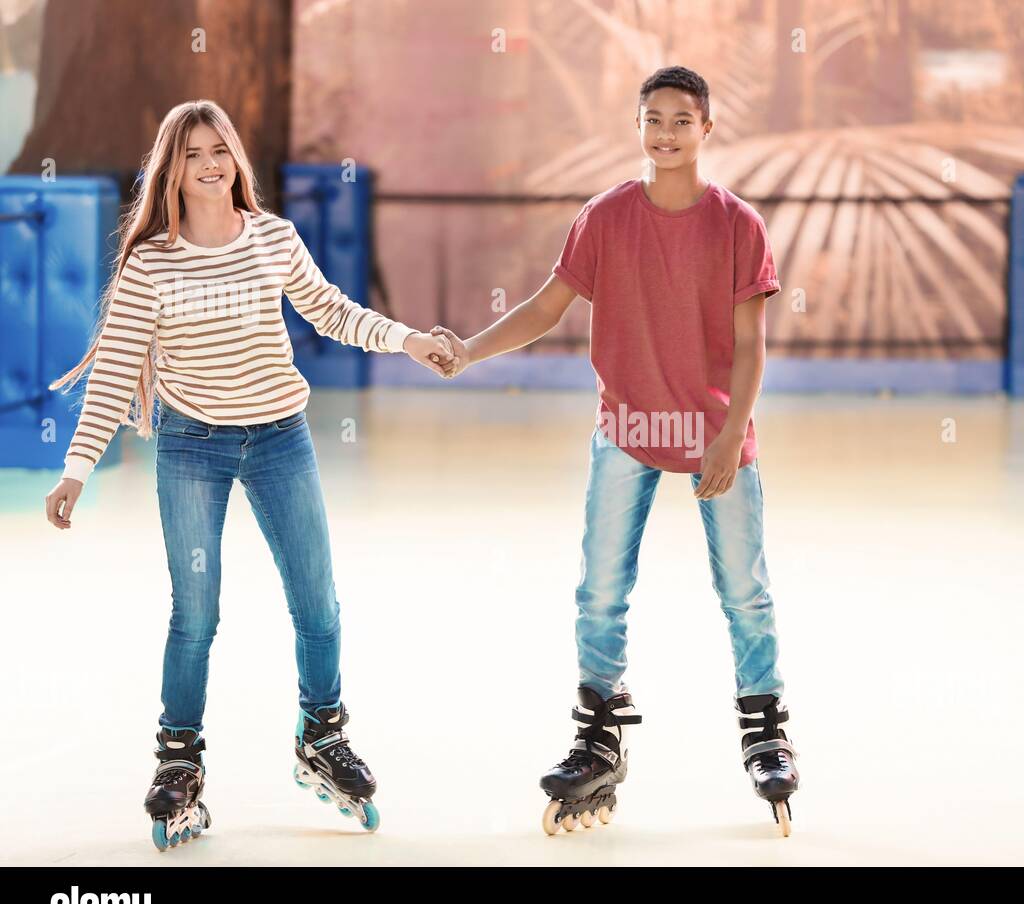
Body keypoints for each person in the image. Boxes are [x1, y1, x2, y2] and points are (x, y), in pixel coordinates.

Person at [43, 100, 453, 849]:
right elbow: (113, 372)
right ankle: (179, 761)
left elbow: (330, 311)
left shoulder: (271, 237)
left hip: (278, 438)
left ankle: (322, 736)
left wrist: (407, 340)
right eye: (194, 152)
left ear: (235, 160)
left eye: (221, 150)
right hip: (190, 445)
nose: (211, 163)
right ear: (171, 167)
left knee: (316, 600)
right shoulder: (151, 263)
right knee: (195, 613)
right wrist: (77, 468)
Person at [430, 66, 800, 836]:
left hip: (712, 431)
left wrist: (731, 435)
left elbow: (749, 344)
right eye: (652, 119)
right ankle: (598, 728)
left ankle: (764, 727)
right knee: (600, 588)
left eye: (681, 120)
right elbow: (545, 306)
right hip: (627, 428)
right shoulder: (605, 217)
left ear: (707, 128)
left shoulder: (738, 225)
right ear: (638, 126)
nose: (665, 133)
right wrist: (468, 350)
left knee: (745, 590)